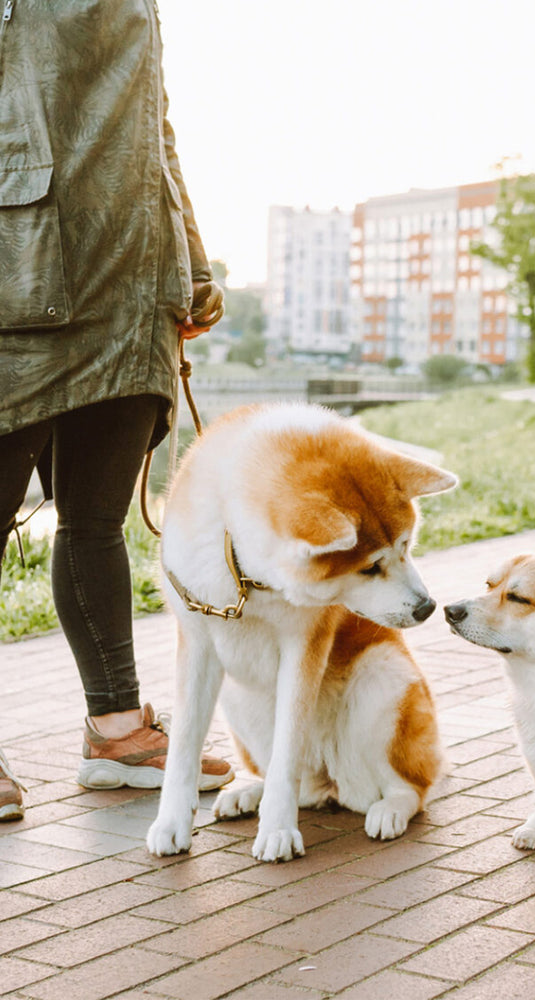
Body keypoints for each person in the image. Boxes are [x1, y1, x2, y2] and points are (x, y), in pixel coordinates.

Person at [0, 0, 232, 822]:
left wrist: (193, 262)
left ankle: (117, 732)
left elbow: (157, 134)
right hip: (18, 269)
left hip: (131, 282)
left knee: (95, 524)